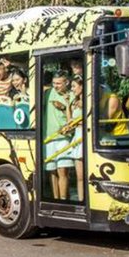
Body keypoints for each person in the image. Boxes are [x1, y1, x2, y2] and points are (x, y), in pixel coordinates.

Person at [44, 71, 73, 200]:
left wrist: (63, 107)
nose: (55, 86)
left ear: (66, 82)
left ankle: (63, 199)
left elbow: (74, 115)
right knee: (52, 171)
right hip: (48, 137)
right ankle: (55, 199)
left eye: (59, 83)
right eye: (54, 83)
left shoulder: (71, 95)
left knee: (63, 171)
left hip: (63, 138)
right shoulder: (48, 93)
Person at [64, 76, 84, 199]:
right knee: (79, 176)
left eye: (74, 87)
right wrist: (67, 104)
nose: (72, 89)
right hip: (77, 136)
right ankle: (81, 199)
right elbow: (70, 120)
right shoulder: (75, 103)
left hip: (85, 134)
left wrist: (77, 123)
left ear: (82, 86)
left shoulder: (86, 102)